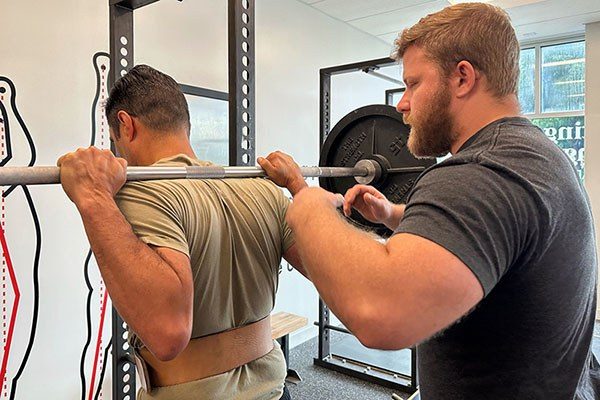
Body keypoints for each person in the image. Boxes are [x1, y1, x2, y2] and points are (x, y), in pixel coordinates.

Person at [258, 3, 599, 399]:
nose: (402, 104)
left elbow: (379, 313)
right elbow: (488, 238)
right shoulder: (534, 153)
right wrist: (392, 214)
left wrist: (307, 201)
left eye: (413, 83)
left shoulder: (476, 174)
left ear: (462, 78)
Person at [58, 65, 302, 400]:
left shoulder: (142, 191)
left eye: (116, 141)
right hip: (275, 391)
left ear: (126, 126)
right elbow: (335, 274)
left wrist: (94, 197)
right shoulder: (261, 189)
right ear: (184, 122)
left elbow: (168, 335)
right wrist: (299, 188)